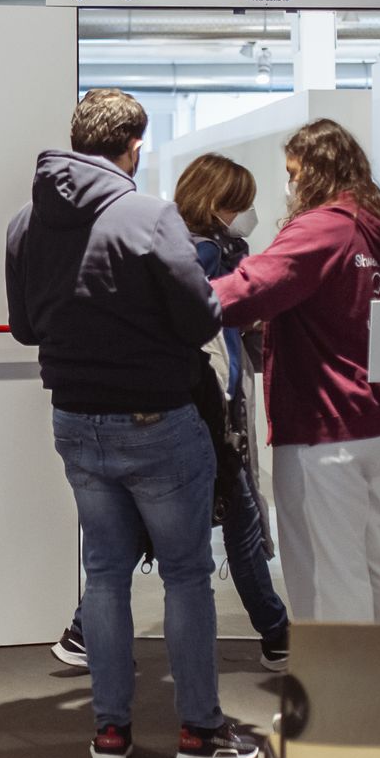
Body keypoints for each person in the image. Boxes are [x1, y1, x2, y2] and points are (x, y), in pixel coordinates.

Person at [4, 89, 258, 758]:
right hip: (157, 421)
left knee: (106, 575)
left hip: (75, 423)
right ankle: (200, 737)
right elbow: (200, 318)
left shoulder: (26, 223)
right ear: (134, 146)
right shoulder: (150, 216)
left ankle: (109, 738)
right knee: (185, 575)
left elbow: (26, 327)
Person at [49, 153, 293, 673]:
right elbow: (198, 326)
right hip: (197, 407)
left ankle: (84, 632)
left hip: (187, 404)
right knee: (230, 526)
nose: (249, 213)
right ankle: (276, 635)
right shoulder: (198, 255)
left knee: (139, 532)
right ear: (218, 204)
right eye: (241, 204)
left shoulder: (204, 250)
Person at [211, 118, 380, 622]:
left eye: (294, 172)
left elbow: (246, 291)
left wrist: (168, 297)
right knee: (373, 562)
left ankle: (337, 697)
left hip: (328, 427)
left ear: (317, 172)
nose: (291, 184)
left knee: (329, 573)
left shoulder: (320, 228)